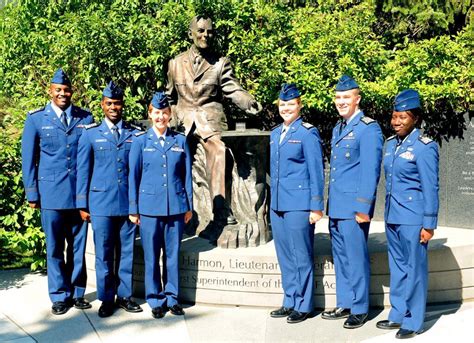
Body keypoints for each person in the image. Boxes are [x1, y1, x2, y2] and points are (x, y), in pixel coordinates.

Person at [165, 15, 261, 226]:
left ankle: (220, 209)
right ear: (191, 34)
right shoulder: (175, 63)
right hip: (182, 122)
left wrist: (248, 102)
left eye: (209, 31)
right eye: (200, 31)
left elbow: (232, 88)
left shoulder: (220, 63)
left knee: (218, 150)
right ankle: (173, 209)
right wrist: (169, 117)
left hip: (210, 121)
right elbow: (170, 97)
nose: (205, 35)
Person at [21, 68, 93, 315]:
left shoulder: (85, 118)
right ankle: (59, 295)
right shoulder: (36, 119)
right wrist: (32, 193)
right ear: (50, 91)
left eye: (67, 89)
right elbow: (28, 159)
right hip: (50, 194)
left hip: (79, 195)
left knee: (78, 247)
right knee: (54, 248)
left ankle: (77, 292)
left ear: (72, 91)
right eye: (58, 90)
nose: (63, 93)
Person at [76, 81, 143, 318]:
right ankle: (106, 299)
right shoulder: (90, 133)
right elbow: (83, 170)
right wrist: (82, 205)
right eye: (109, 103)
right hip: (101, 205)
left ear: (122, 105)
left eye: (117, 103)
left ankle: (124, 296)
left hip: (127, 204)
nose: (114, 107)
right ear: (102, 105)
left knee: (126, 252)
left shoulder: (135, 134)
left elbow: (139, 171)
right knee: (104, 254)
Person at [376, 89, 439, 339]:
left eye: (402, 117)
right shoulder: (391, 145)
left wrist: (429, 223)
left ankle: (413, 321)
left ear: (414, 118)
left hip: (413, 219)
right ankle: (398, 313)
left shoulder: (424, 147)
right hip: (393, 216)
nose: (396, 122)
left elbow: (430, 186)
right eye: (394, 117)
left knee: (414, 270)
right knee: (398, 268)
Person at [322, 75, 383, 328]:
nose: (341, 102)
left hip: (354, 209)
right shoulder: (339, 128)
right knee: (342, 257)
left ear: (357, 99)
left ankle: (359, 308)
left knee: (356, 258)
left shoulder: (368, 128)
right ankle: (345, 302)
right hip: (336, 207)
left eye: (346, 97)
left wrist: (363, 207)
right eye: (337, 98)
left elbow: (370, 171)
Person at [128, 91, 193, 319]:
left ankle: (172, 298)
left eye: (164, 113)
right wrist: (133, 209)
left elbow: (186, 176)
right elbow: (133, 177)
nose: (161, 117)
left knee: (172, 255)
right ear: (150, 114)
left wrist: (188, 206)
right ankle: (155, 298)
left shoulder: (180, 141)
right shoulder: (140, 142)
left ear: (170, 115)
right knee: (152, 256)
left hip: (175, 207)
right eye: (157, 113)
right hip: (149, 210)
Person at [268, 83, 325, 324]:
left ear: (299, 105)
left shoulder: (307, 132)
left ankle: (304, 304)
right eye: (283, 105)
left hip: (299, 204)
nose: (286, 108)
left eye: (291, 104)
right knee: (284, 255)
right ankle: (290, 299)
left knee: (300, 255)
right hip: (278, 204)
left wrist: (316, 206)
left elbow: (316, 170)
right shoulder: (274, 133)